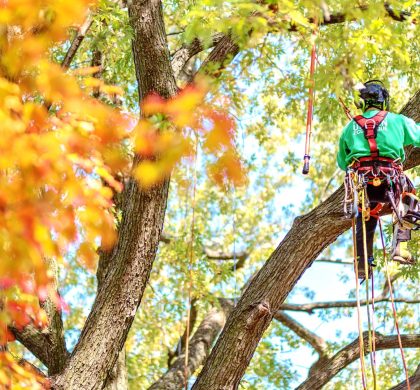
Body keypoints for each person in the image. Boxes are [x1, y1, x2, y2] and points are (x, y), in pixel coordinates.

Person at [337, 80, 419, 279]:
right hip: (392, 183)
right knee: (409, 196)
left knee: (366, 214)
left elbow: (342, 162)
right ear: (383, 101)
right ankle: (400, 246)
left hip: (363, 185)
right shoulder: (398, 121)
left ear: (363, 103)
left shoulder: (350, 128)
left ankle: (362, 260)